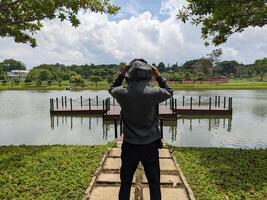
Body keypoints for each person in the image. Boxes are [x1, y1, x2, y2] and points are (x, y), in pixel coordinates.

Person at [108, 59, 173, 200]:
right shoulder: (153, 93)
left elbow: (111, 88)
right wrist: (158, 75)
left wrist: (121, 73)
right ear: (148, 74)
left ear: (129, 75)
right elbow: (169, 91)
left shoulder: (122, 93)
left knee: (125, 183)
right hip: (150, 144)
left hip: (130, 144)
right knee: (154, 184)